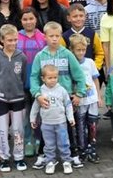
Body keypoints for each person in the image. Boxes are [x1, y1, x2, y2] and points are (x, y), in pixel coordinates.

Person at [29, 21, 86, 169]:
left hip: (64, 98)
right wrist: (37, 95)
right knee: (46, 128)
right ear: (45, 37)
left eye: (57, 36)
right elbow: (34, 77)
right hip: (46, 99)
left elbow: (79, 75)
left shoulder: (67, 54)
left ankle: (72, 154)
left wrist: (79, 94)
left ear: (61, 36)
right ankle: (43, 155)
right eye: (51, 36)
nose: (54, 39)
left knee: (68, 127)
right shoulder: (40, 56)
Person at [0, 24, 28, 172]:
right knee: (2, 130)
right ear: (2, 39)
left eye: (15, 40)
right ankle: (4, 157)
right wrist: (0, 90)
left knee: (18, 130)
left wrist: (18, 90)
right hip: (0, 100)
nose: (13, 43)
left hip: (18, 99)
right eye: (9, 40)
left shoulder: (22, 57)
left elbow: (23, 77)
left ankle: (19, 157)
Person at [29, 65, 76, 175]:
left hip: (61, 123)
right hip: (46, 124)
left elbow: (68, 105)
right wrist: (32, 119)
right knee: (49, 144)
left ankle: (66, 161)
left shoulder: (62, 90)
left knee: (63, 143)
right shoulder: (40, 91)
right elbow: (35, 106)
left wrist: (70, 117)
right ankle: (50, 162)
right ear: (43, 78)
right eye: (50, 78)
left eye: (55, 77)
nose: (53, 80)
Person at [18, 8, 46, 158]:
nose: (28, 22)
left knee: (40, 113)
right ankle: (28, 141)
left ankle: (39, 140)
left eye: (31, 19)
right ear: (21, 21)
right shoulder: (16, 37)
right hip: (21, 82)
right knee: (26, 114)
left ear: (36, 19)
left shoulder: (43, 37)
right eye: (25, 19)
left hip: (39, 83)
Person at [69, 34, 101, 164]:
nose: (81, 52)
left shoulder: (90, 62)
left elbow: (95, 79)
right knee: (80, 126)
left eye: (83, 50)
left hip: (92, 99)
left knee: (92, 124)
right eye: (78, 50)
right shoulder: (71, 64)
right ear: (72, 50)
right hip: (80, 101)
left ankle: (92, 148)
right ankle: (81, 149)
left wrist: (99, 96)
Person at [63, 4, 104, 73]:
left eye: (81, 16)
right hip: (72, 73)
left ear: (85, 17)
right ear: (68, 18)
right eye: (75, 16)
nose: (78, 19)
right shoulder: (64, 36)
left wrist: (95, 67)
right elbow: (62, 55)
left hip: (90, 73)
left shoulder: (92, 34)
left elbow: (100, 53)